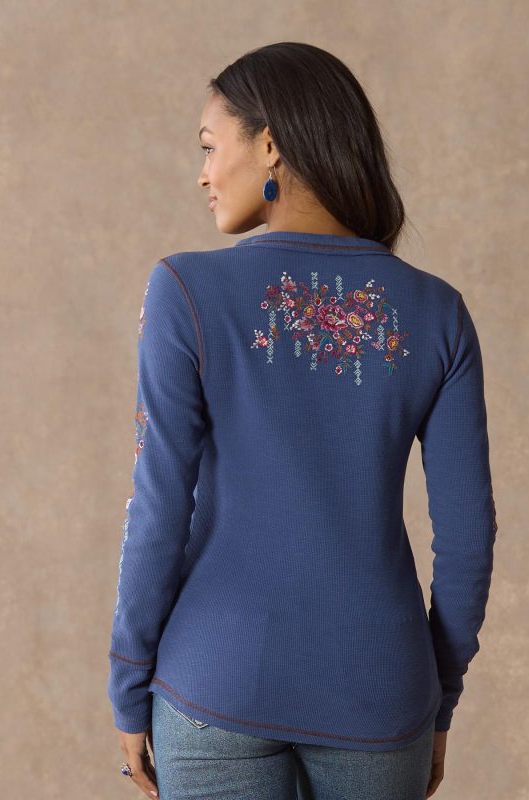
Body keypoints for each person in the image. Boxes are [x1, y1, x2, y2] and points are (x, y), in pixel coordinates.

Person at [108, 41, 498, 800]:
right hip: (380, 690)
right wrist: (438, 696)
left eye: (210, 147)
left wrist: (128, 683)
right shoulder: (437, 311)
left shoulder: (186, 290)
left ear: (270, 144)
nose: (203, 173)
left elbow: (157, 510)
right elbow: (468, 539)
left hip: (216, 679)